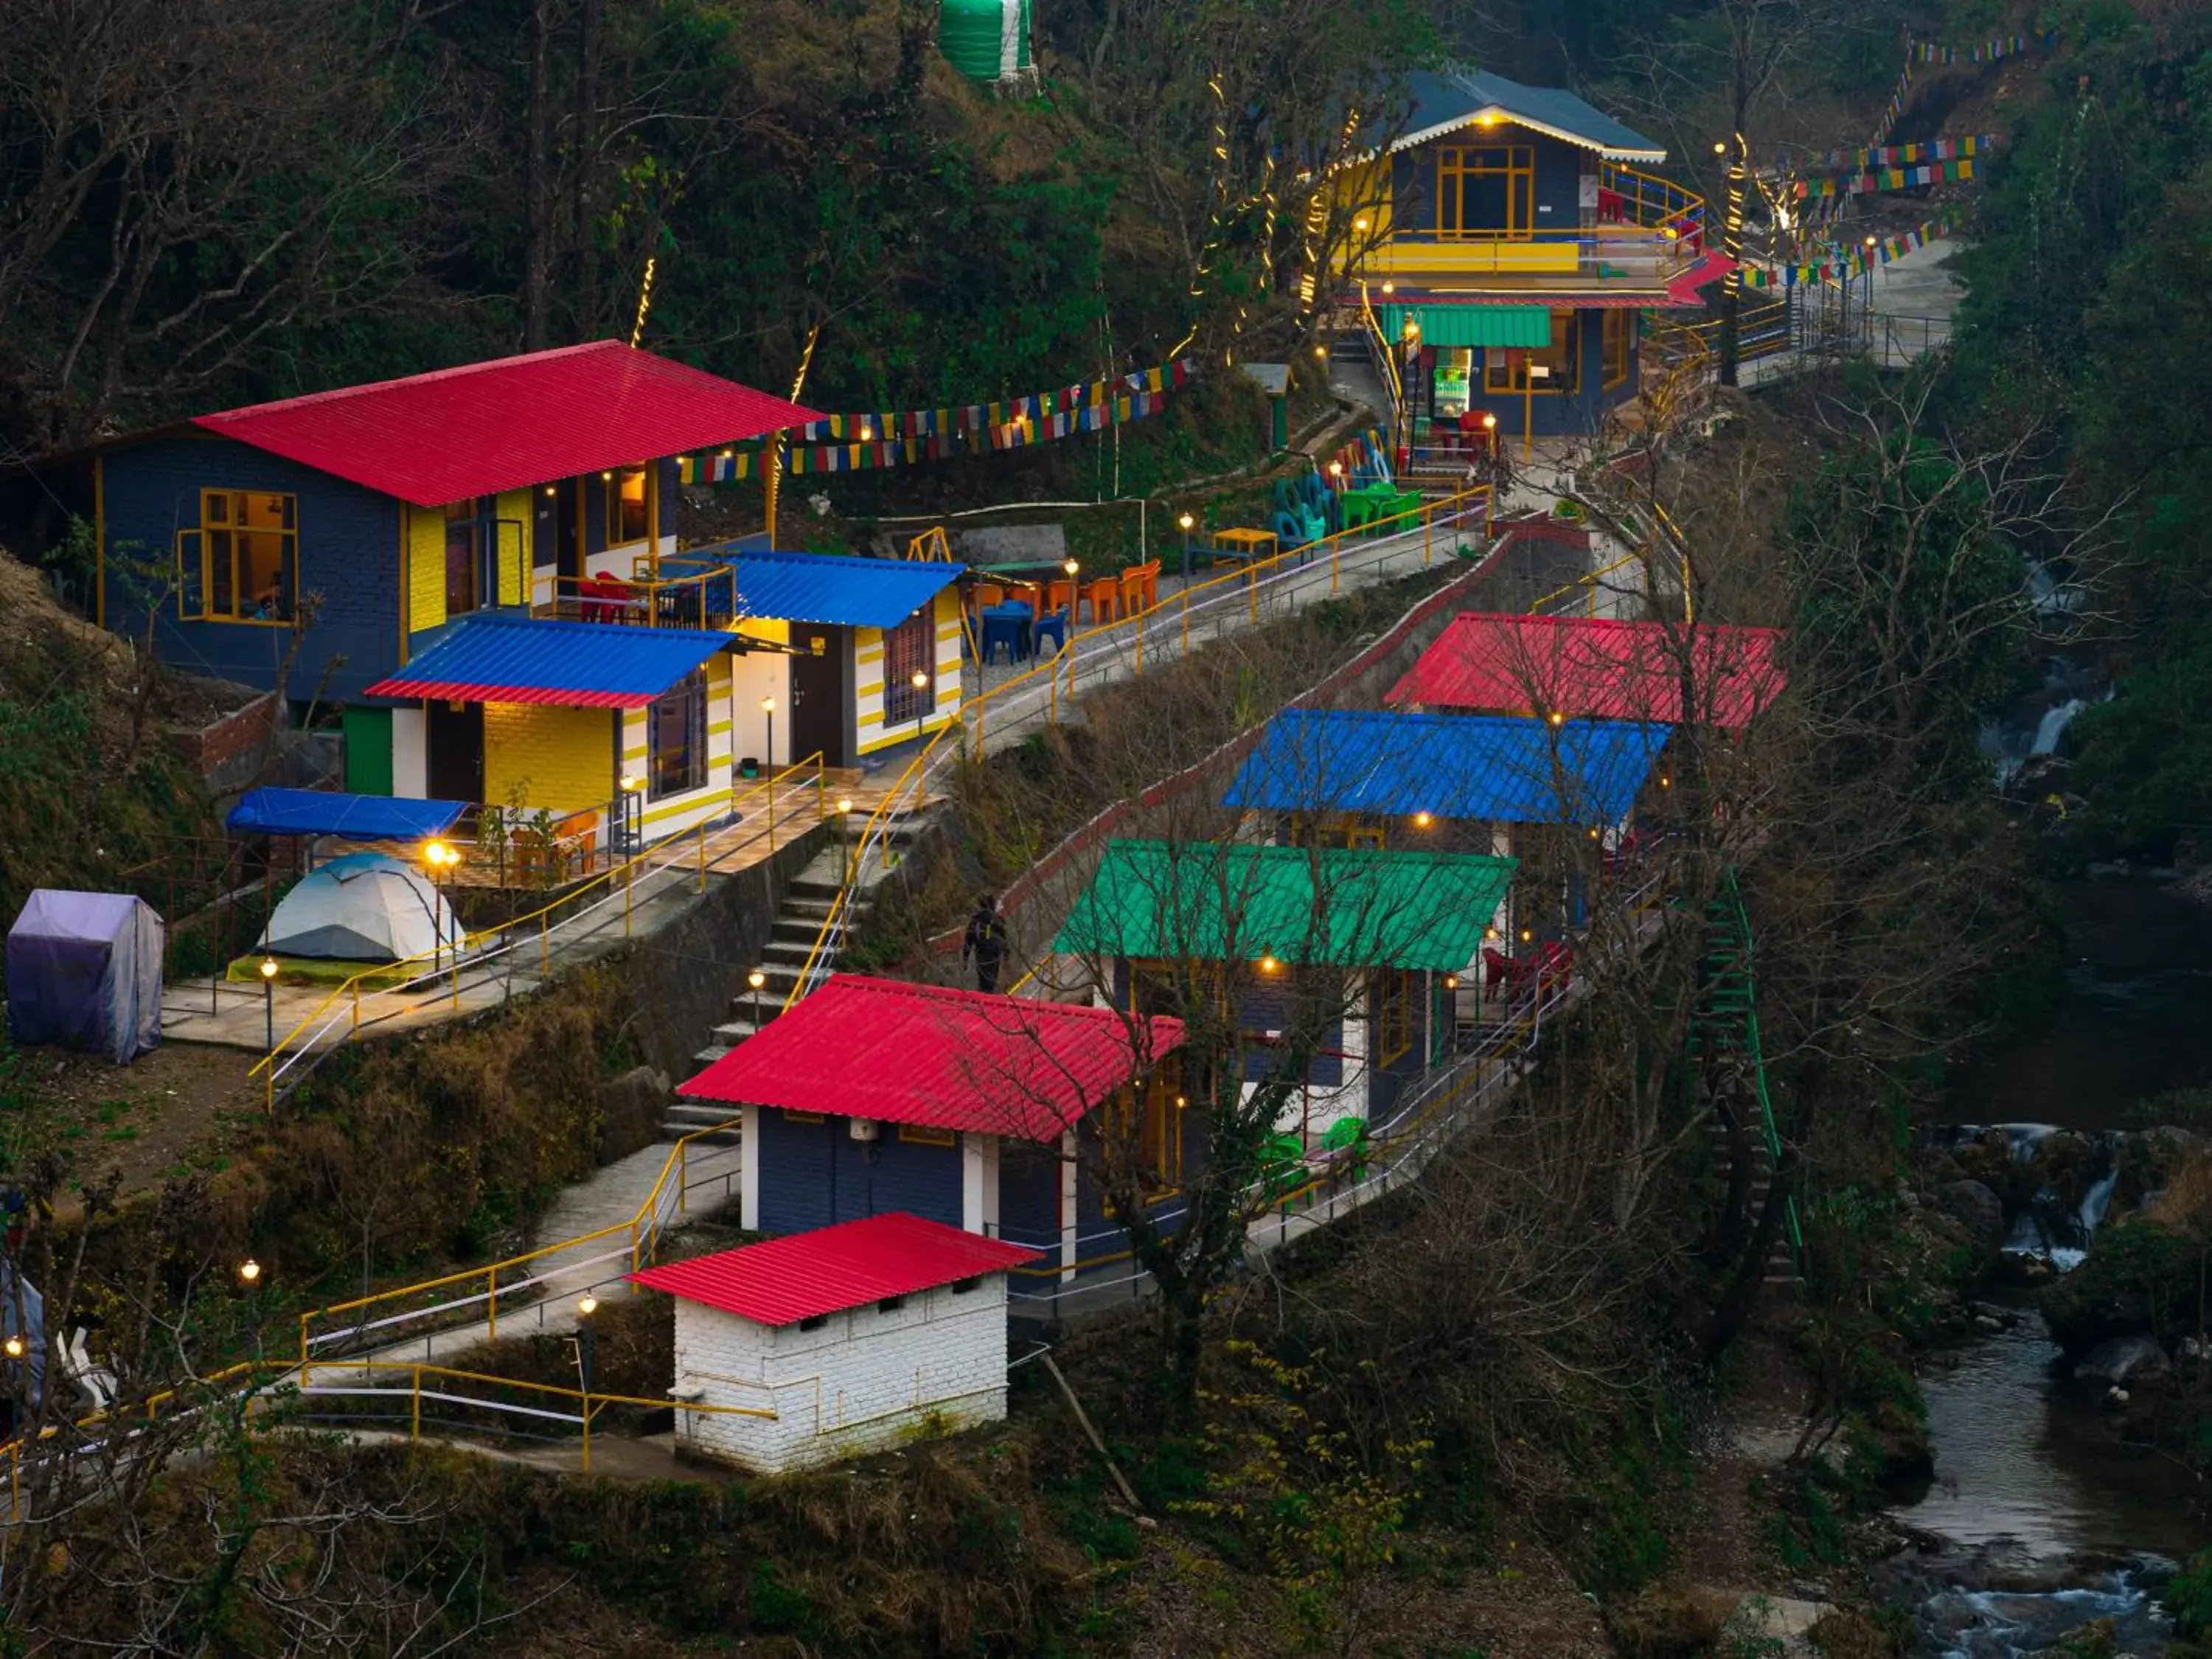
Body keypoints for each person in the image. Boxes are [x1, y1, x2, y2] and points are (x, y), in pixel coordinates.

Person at [962, 894, 1006, 994]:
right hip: (994, 955)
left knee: (983, 982)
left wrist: (965, 959)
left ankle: (984, 997)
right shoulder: (996, 919)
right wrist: (1006, 956)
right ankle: (989, 998)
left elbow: (968, 940)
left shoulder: (975, 921)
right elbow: (1004, 938)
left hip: (981, 956)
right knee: (991, 981)